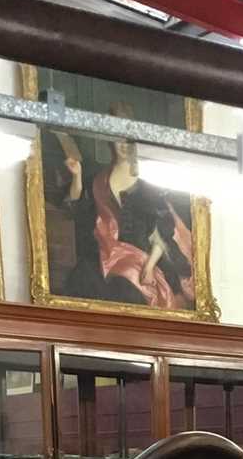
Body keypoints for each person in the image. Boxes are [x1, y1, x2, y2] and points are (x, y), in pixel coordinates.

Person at [57, 112, 195, 311]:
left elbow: (162, 236)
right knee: (82, 279)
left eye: (129, 141)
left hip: (141, 261)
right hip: (104, 255)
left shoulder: (148, 185)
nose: (123, 145)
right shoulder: (99, 178)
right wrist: (77, 176)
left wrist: (148, 267)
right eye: (119, 139)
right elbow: (76, 209)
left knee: (126, 290)